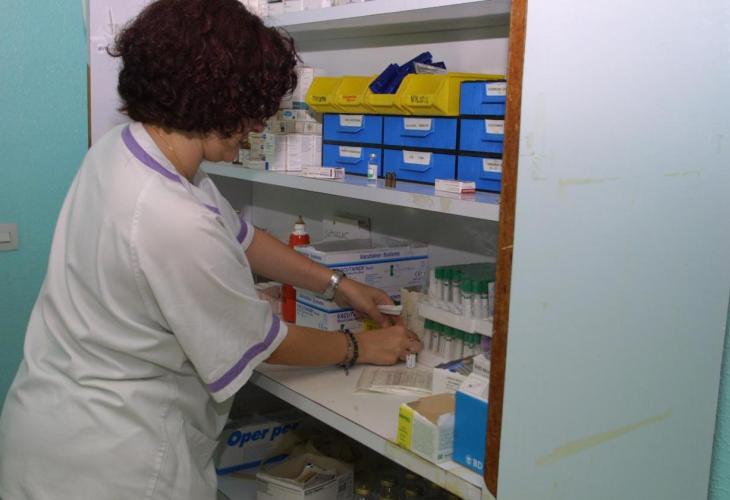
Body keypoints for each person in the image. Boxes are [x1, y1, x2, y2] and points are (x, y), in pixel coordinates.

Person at [0, 1, 421, 498]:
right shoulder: (170, 217)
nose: (257, 128)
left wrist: (339, 285)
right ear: (213, 100)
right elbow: (264, 344)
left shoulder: (126, 149)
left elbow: (243, 238)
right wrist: (362, 347)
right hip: (113, 462)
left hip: (48, 422)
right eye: (251, 110)